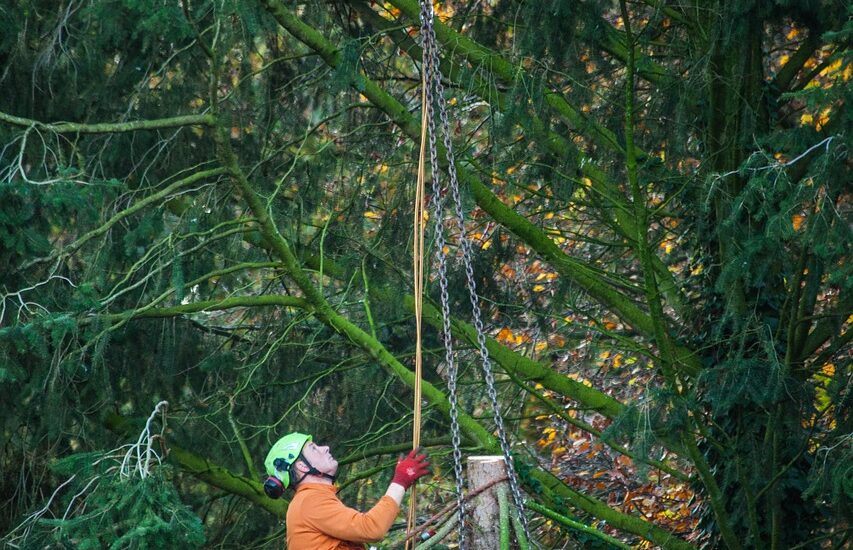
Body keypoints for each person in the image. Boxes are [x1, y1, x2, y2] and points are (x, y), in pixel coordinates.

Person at [263, 432, 430, 549]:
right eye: (313, 448)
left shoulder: (311, 499)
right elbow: (371, 528)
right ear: (301, 465)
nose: (325, 448)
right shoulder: (309, 501)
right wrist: (400, 480)